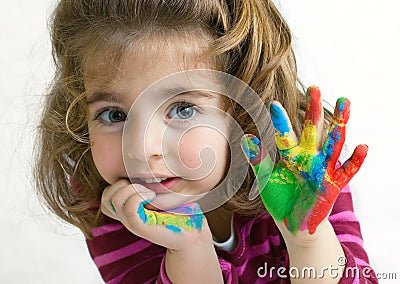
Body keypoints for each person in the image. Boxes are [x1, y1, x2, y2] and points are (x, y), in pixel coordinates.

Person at [34, 0, 377, 283]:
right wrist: (189, 249)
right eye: (114, 115)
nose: (141, 148)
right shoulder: (111, 207)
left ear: (243, 109)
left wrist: (308, 241)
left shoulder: (302, 171)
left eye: (182, 109)